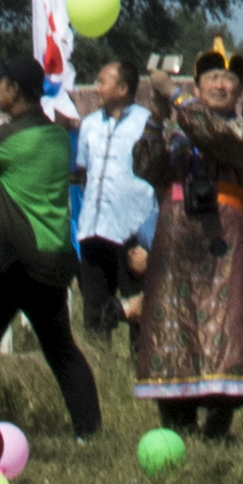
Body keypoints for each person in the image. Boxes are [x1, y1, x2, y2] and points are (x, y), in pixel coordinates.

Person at [124, 50, 243, 422]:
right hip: (176, 239)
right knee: (173, 322)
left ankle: (220, 422)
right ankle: (175, 417)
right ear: (198, 86)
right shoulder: (176, 134)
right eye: (212, 79)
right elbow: (143, 167)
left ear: (240, 89)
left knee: (224, 321)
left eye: (229, 79)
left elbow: (213, 133)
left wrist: (174, 95)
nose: (221, 85)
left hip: (224, 240)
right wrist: (155, 114)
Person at [0, 74, 103, 433]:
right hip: (51, 259)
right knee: (62, 351)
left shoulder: (15, 138)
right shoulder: (56, 136)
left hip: (15, 262)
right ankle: (89, 430)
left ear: (15, 89)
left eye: (1, 85)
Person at [68, 55, 156, 342]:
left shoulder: (147, 124)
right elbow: (82, 172)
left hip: (131, 229)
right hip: (94, 227)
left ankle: (139, 371)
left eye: (102, 82)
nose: (96, 88)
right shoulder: (90, 125)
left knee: (139, 304)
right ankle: (98, 367)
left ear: (122, 89)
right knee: (94, 305)